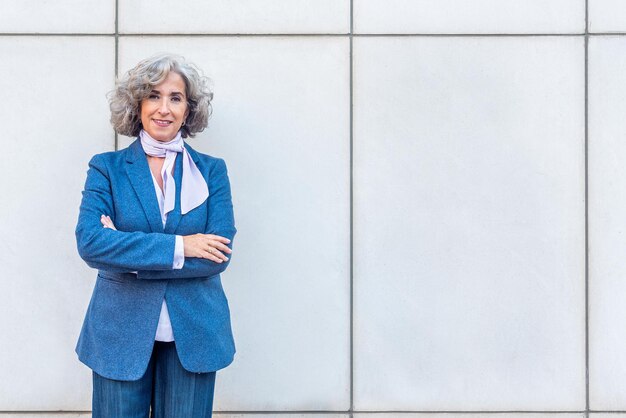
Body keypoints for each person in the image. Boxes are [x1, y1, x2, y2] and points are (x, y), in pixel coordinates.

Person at [75, 53, 237, 418]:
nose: (164, 108)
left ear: (188, 108)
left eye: (175, 97)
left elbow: (219, 254)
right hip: (119, 331)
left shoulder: (212, 172)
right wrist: (183, 246)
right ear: (137, 104)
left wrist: (126, 251)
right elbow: (91, 243)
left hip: (195, 330)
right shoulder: (107, 168)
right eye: (153, 96)